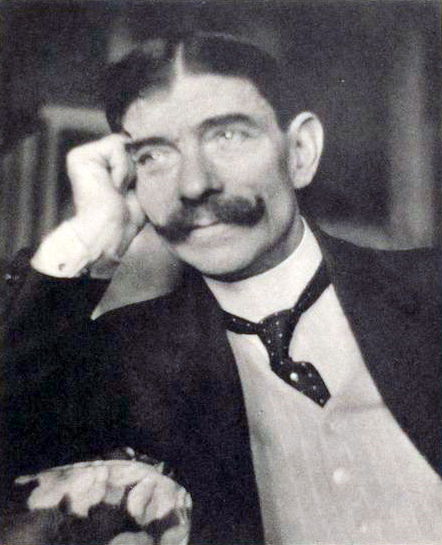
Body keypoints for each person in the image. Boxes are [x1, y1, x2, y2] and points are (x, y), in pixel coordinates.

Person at [3, 32, 441, 545]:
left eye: (227, 136)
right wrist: (88, 237)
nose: (194, 185)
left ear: (300, 151)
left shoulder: (429, 290)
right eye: (154, 155)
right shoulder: (124, 358)